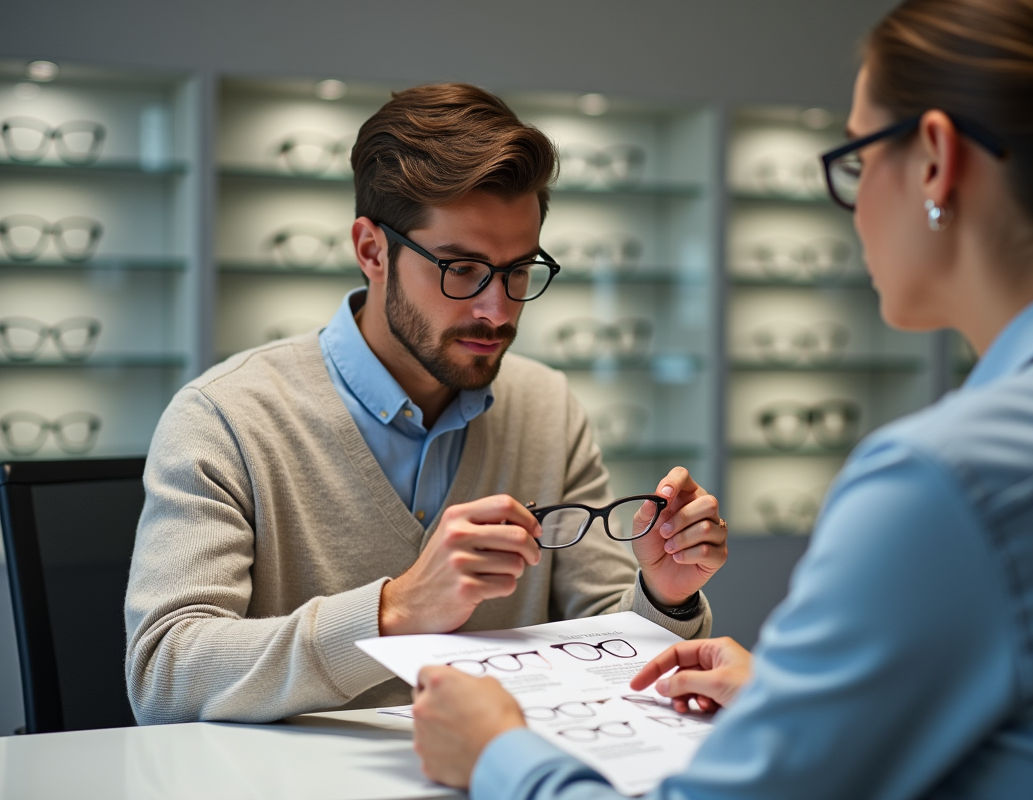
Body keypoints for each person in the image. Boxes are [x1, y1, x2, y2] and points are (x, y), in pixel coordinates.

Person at [409, 0, 1033, 796]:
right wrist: (803, 707)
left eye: (856, 159)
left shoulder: (951, 480)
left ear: (934, 160)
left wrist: (498, 754)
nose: (853, 206)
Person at [124, 84, 729, 725]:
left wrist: (665, 596)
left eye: (519, 270)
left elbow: (610, 649)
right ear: (371, 250)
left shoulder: (547, 407)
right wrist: (394, 611)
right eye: (460, 269)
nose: (497, 308)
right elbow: (164, 674)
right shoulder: (225, 417)